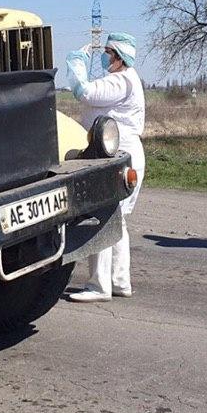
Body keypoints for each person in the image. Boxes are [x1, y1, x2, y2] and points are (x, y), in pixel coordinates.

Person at [63, 32, 146, 302]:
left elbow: (86, 93)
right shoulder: (125, 78)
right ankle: (120, 282)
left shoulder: (121, 80)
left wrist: (76, 63)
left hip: (116, 154)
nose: (104, 56)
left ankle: (99, 286)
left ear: (119, 57)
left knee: (102, 217)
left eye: (108, 52)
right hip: (123, 154)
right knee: (116, 220)